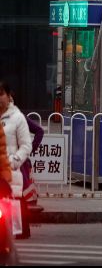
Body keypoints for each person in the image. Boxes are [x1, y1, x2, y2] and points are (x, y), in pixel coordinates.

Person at [0, 82, 32, 239]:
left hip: (10, 173)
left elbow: (26, 145)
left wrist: (13, 161)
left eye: (1, 94)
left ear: (8, 95)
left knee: (14, 229)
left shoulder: (17, 118)